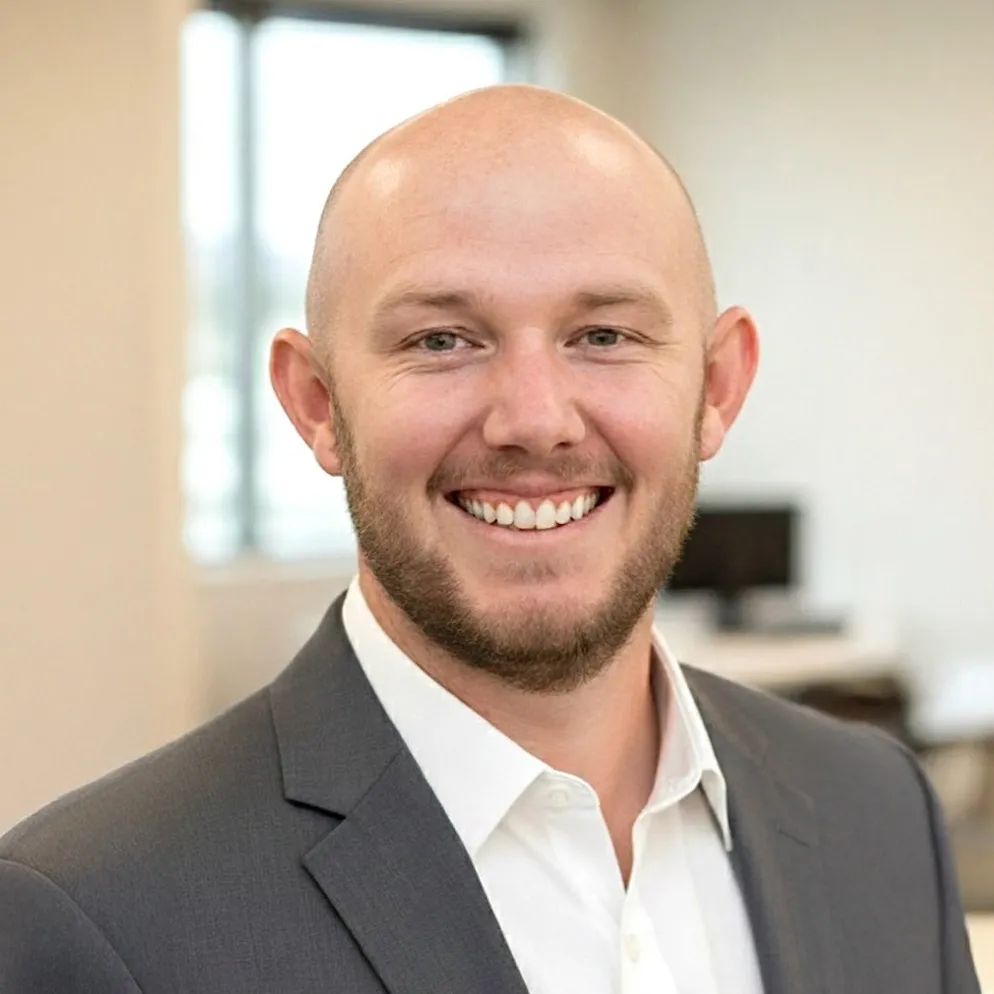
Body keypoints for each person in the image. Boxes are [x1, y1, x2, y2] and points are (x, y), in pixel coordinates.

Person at [0, 84, 980, 993]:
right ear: (317, 404)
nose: (535, 420)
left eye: (604, 335)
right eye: (441, 340)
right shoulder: (98, 917)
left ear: (717, 386)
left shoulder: (879, 814)